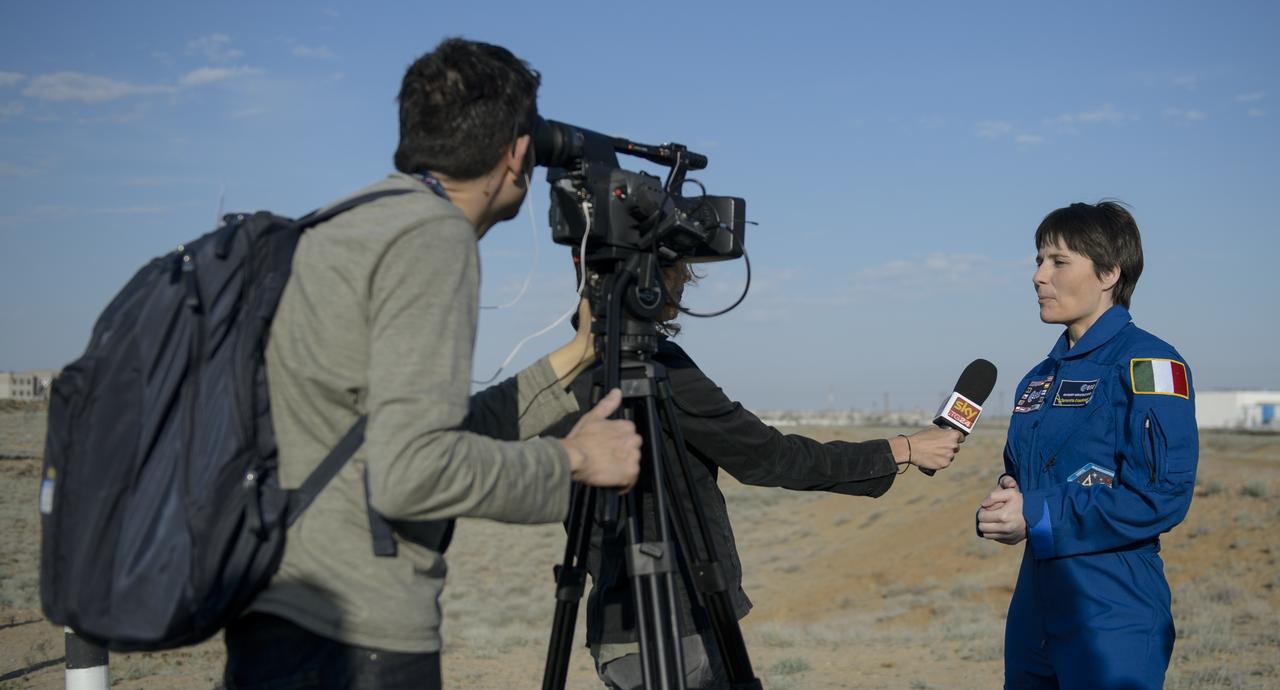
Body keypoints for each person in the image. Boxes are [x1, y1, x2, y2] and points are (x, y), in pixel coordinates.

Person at [222, 38, 642, 690]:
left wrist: (576, 355)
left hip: (277, 621)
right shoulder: (434, 239)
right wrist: (575, 461)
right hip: (355, 641)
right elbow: (409, 474)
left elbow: (400, 436)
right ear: (516, 155)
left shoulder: (351, 222)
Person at [549, 260, 966, 690]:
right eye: (678, 267)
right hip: (679, 626)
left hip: (616, 633)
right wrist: (903, 449)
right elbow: (768, 456)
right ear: (651, 273)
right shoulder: (661, 369)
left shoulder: (565, 374)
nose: (685, 284)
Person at [975, 201, 1198, 689]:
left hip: (1111, 610)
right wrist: (1009, 501)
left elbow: (1160, 497)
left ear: (1108, 273)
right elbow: (1027, 473)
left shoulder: (1151, 366)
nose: (1038, 276)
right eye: (1038, 260)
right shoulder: (1037, 380)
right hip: (1035, 612)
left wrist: (1034, 511)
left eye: (1058, 262)